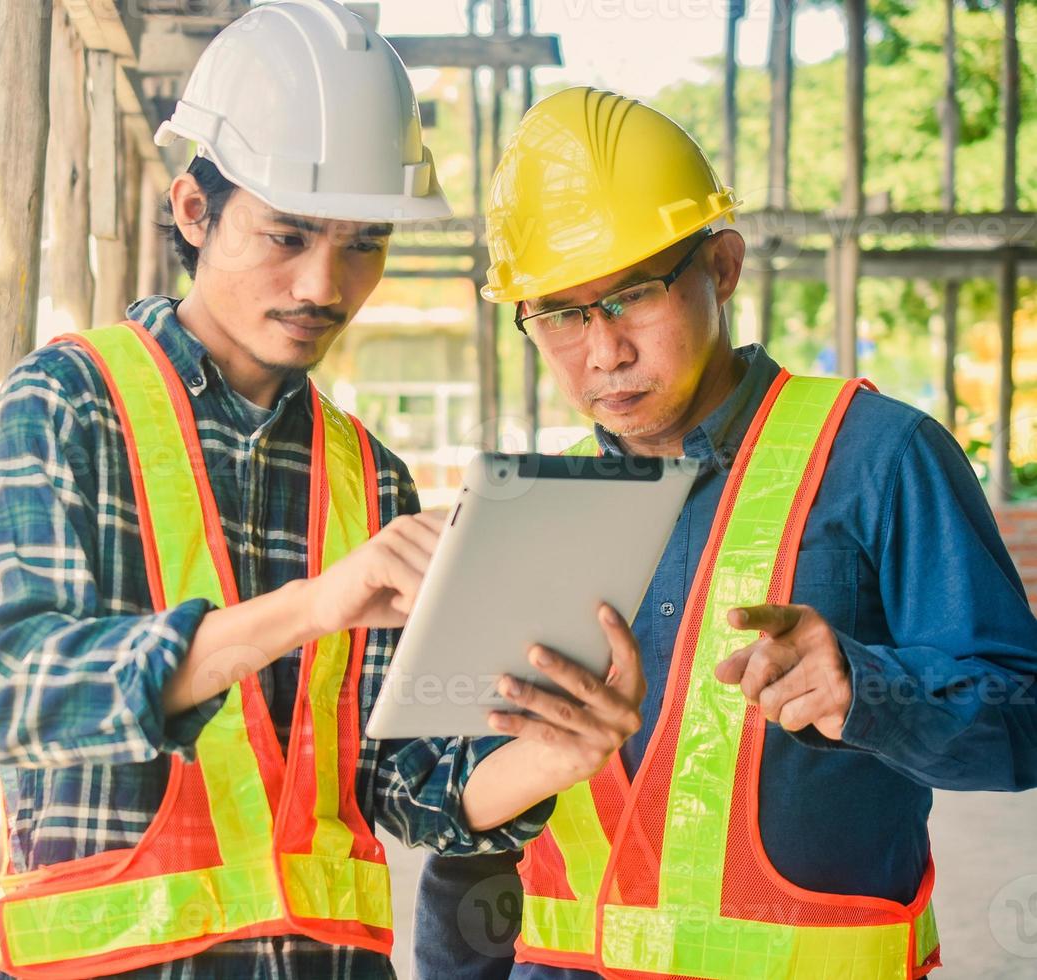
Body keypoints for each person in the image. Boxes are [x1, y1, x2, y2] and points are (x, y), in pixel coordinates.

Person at [0, 7, 645, 978]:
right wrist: (312, 607)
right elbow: (16, 692)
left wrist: (562, 753)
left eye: (365, 242)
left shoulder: (368, 476)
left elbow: (407, 789)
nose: (324, 282)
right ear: (193, 209)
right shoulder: (69, 403)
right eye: (286, 233)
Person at [414, 85, 1037, 980]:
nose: (602, 352)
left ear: (724, 265)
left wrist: (866, 688)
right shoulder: (527, 508)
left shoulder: (880, 457)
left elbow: (1022, 715)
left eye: (632, 295)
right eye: (558, 313)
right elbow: (472, 827)